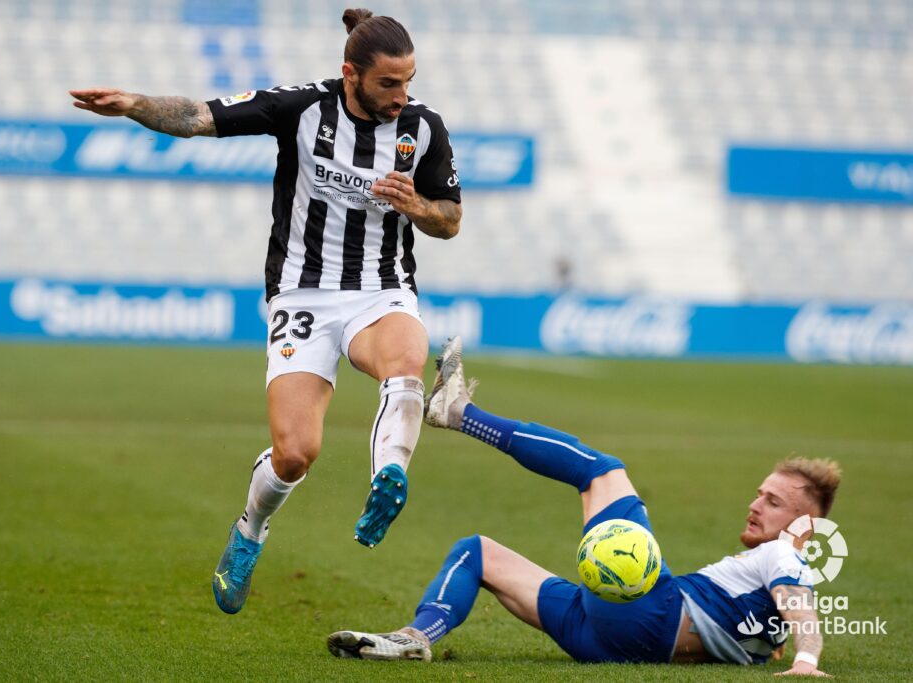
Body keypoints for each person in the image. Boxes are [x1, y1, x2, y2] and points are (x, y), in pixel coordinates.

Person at [70, 8, 462, 615]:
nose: (401, 96)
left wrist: (416, 206)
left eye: (408, 81)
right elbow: (198, 117)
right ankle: (250, 530)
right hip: (303, 293)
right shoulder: (301, 108)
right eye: (389, 83)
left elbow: (450, 220)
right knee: (295, 453)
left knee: (407, 355)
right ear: (350, 74)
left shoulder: (424, 129)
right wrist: (134, 104)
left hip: (380, 289)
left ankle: (389, 475)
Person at [328, 337, 839, 676]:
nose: (755, 504)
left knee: (602, 471)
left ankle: (459, 412)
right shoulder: (762, 592)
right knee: (475, 553)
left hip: (646, 614)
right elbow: (771, 618)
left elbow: (799, 602)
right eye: (760, 492)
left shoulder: (784, 554)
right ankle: (417, 636)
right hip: (601, 639)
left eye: (773, 501)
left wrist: (807, 659)